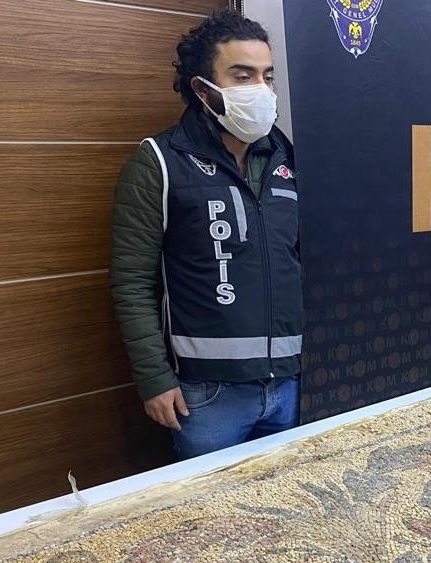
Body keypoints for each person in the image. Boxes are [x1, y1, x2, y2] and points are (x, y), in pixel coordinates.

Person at [110, 10, 302, 460]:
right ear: (203, 89)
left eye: (268, 77)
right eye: (243, 76)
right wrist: (155, 379)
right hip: (208, 395)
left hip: (290, 384)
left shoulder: (287, 158)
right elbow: (132, 282)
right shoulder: (159, 161)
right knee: (210, 506)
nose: (261, 89)